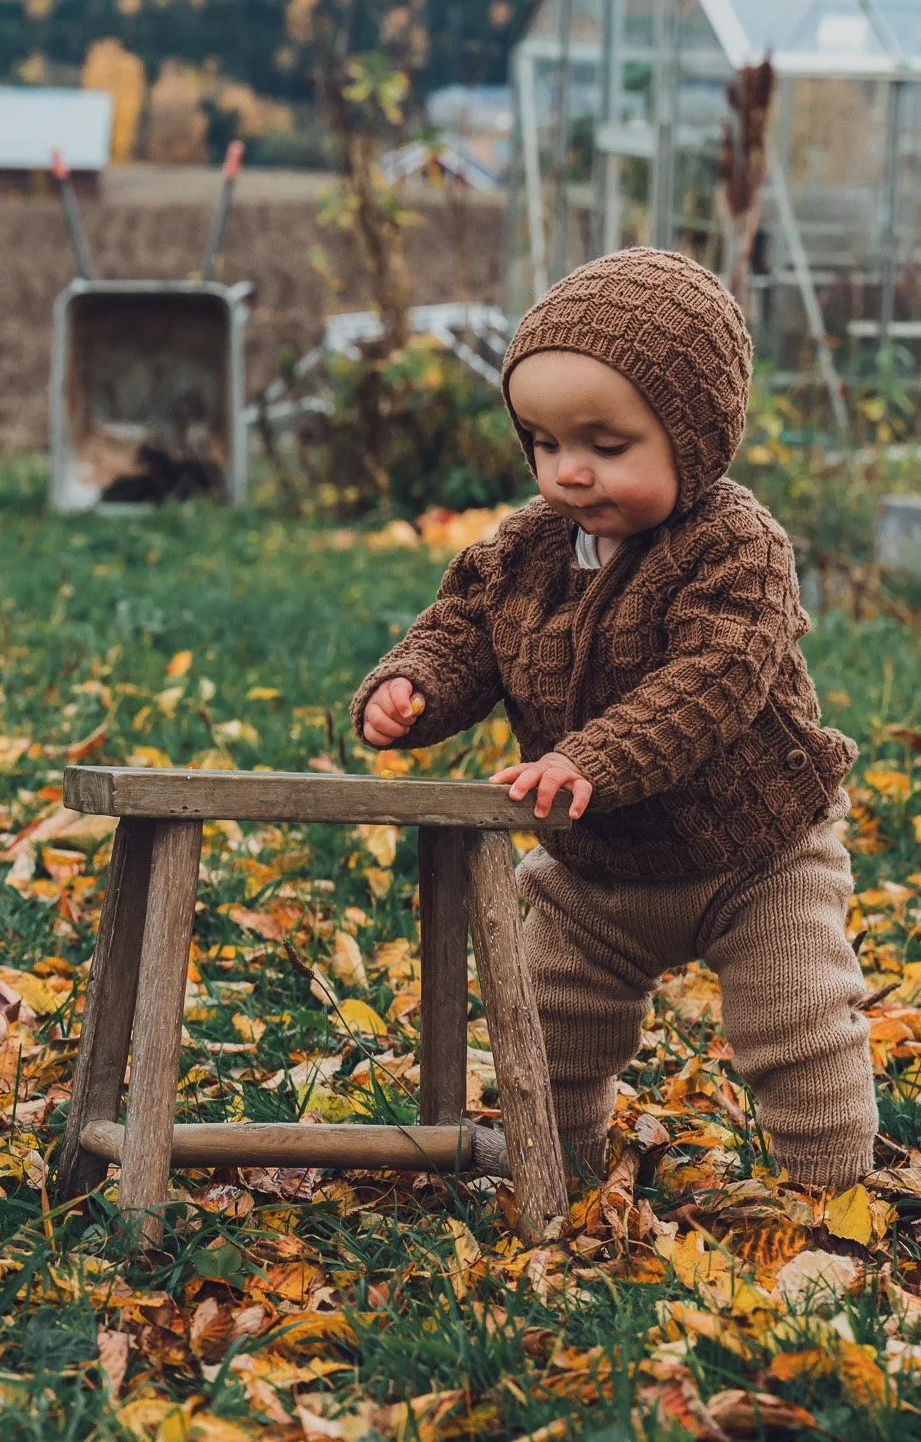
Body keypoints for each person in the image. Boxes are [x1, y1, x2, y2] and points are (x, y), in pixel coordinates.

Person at [351, 248, 874, 1187]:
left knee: (797, 1019)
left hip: (758, 852)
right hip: (598, 863)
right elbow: (467, 630)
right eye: (546, 445)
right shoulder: (526, 548)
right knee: (548, 1021)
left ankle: (830, 1191)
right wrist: (417, 684)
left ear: (696, 434)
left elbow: (713, 677)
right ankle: (562, 1175)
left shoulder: (737, 547)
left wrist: (595, 756)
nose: (570, 473)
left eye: (606, 445)